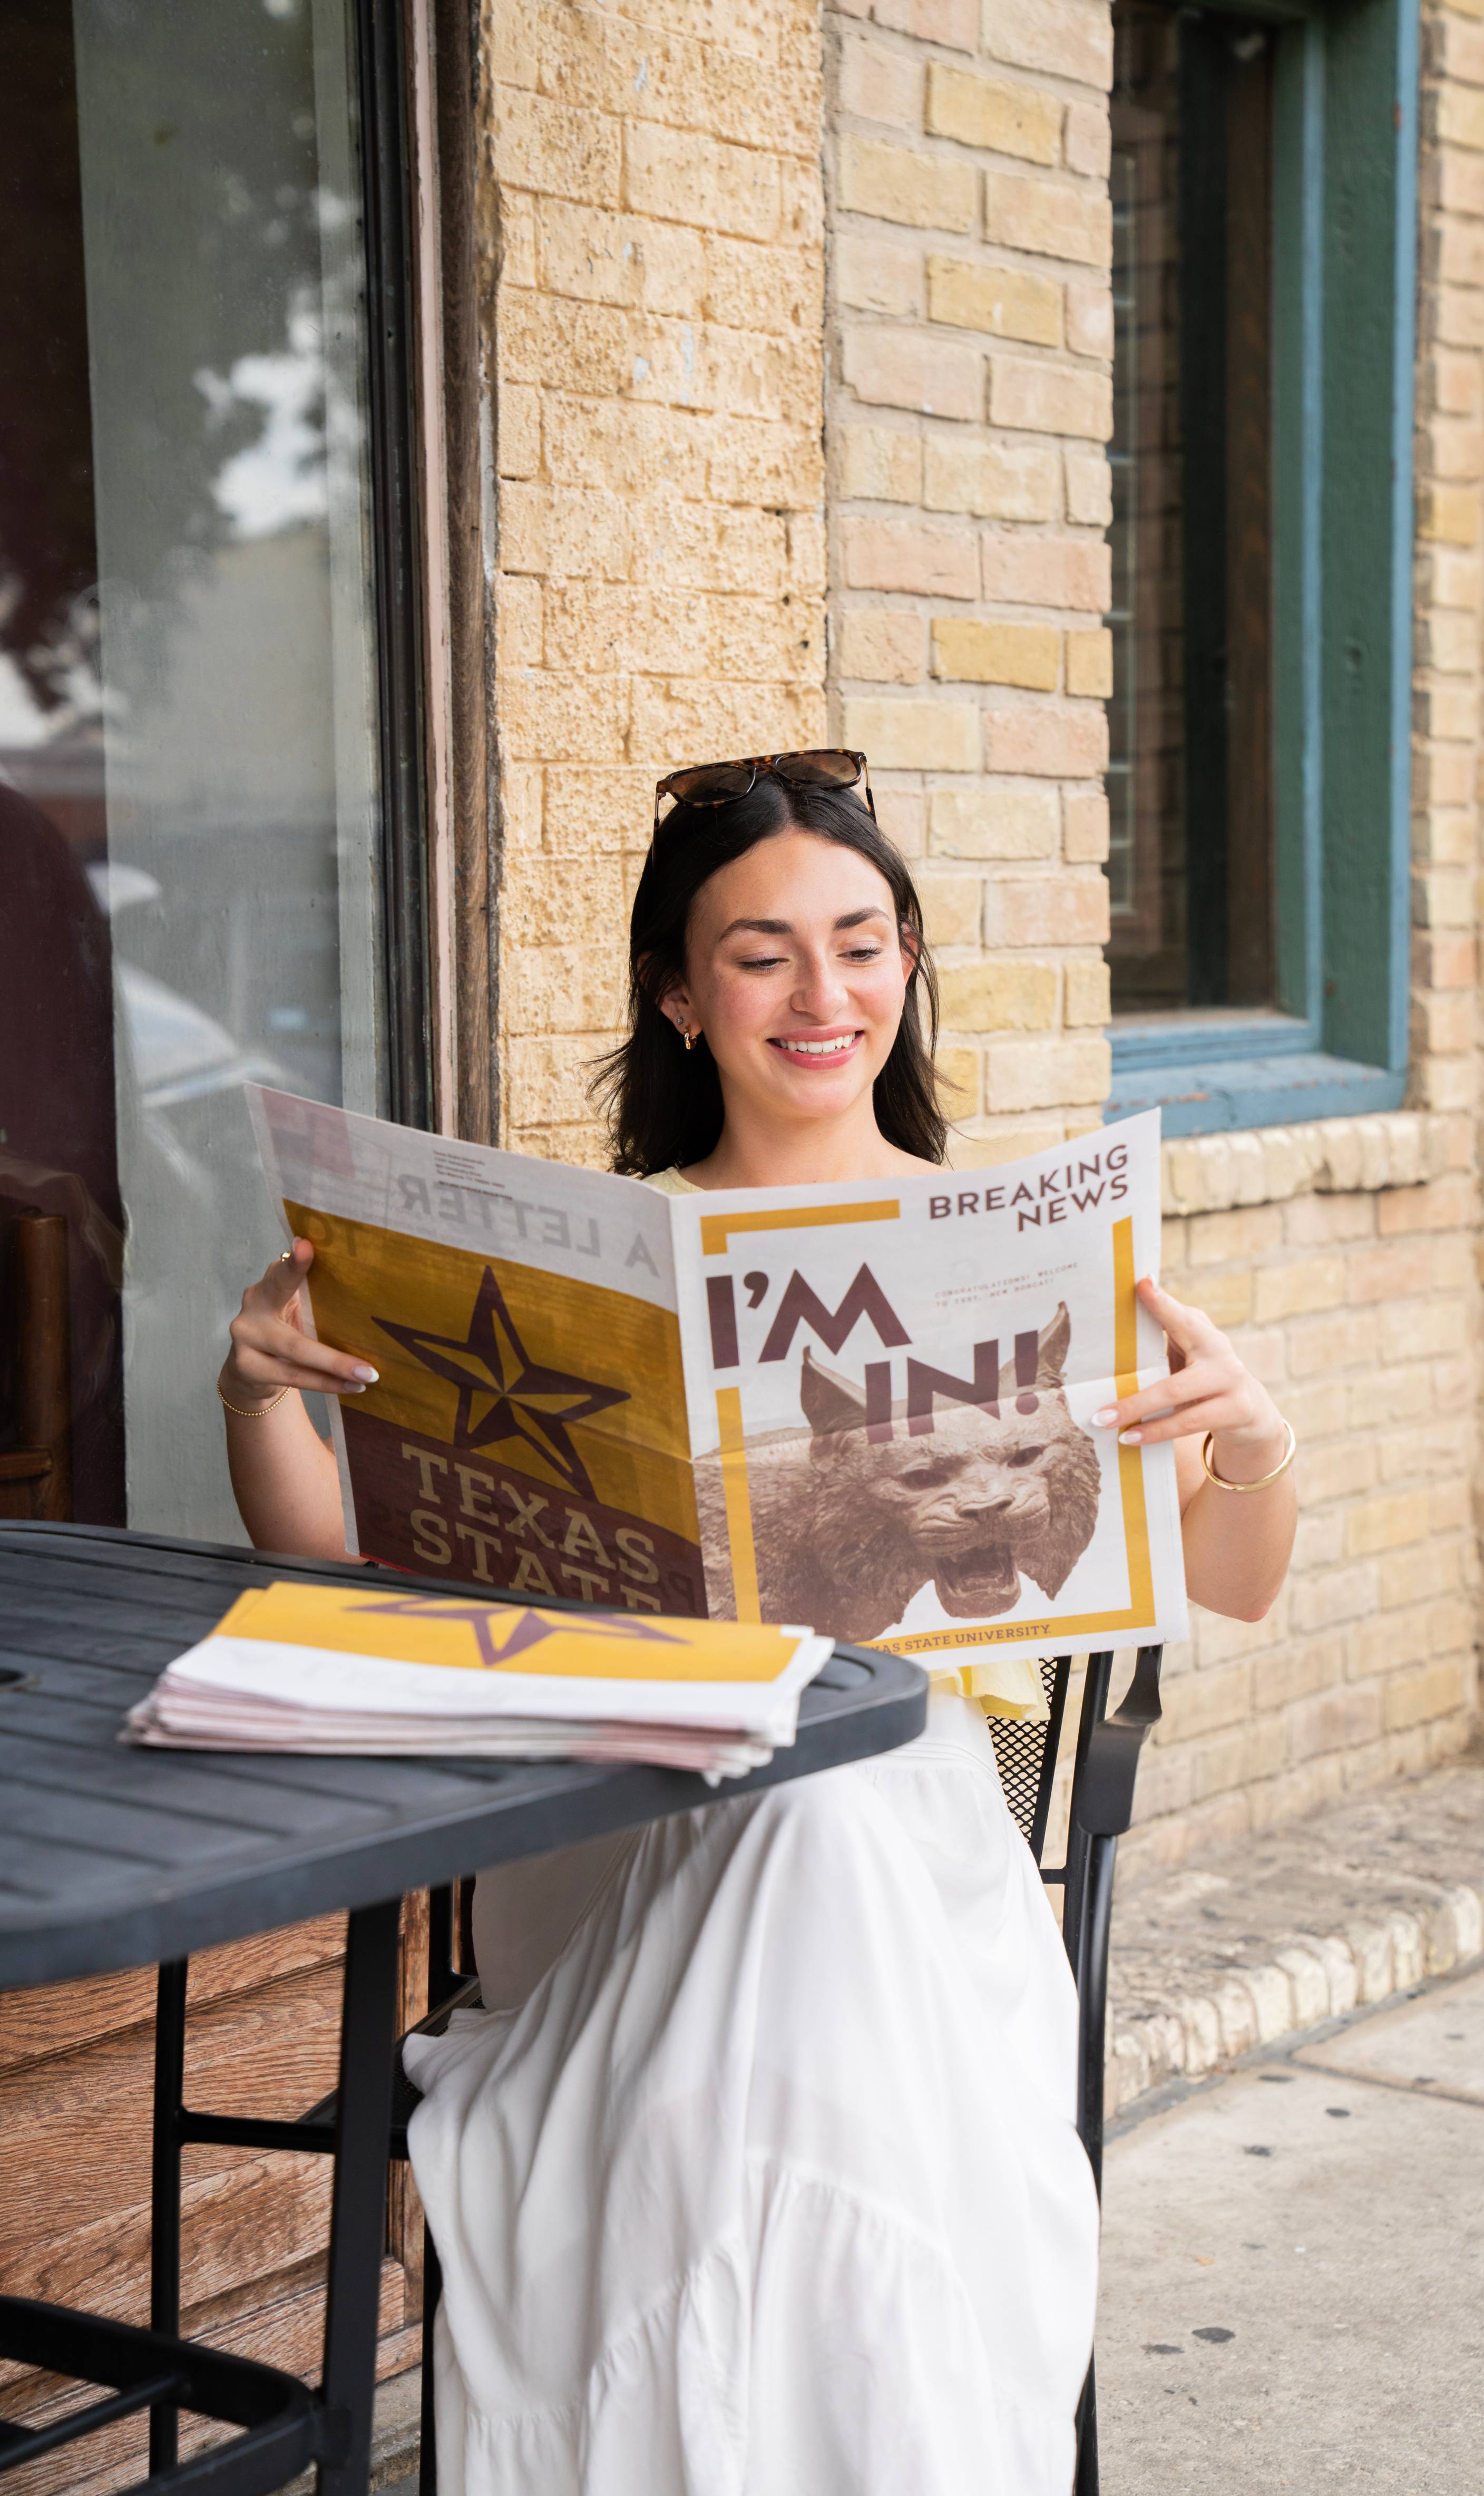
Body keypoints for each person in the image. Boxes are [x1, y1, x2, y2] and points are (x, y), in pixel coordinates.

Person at [218, 750, 1297, 2496]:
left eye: (863, 945)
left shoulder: (1021, 1256)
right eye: (762, 953)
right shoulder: (593, 1264)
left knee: (829, 1799)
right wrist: (262, 1398)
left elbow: (1233, 1581)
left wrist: (1253, 1440)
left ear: (911, 963)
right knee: (792, 1819)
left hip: (916, 1864)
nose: (824, 995)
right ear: (679, 993)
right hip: (614, 1834)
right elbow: (359, 1581)